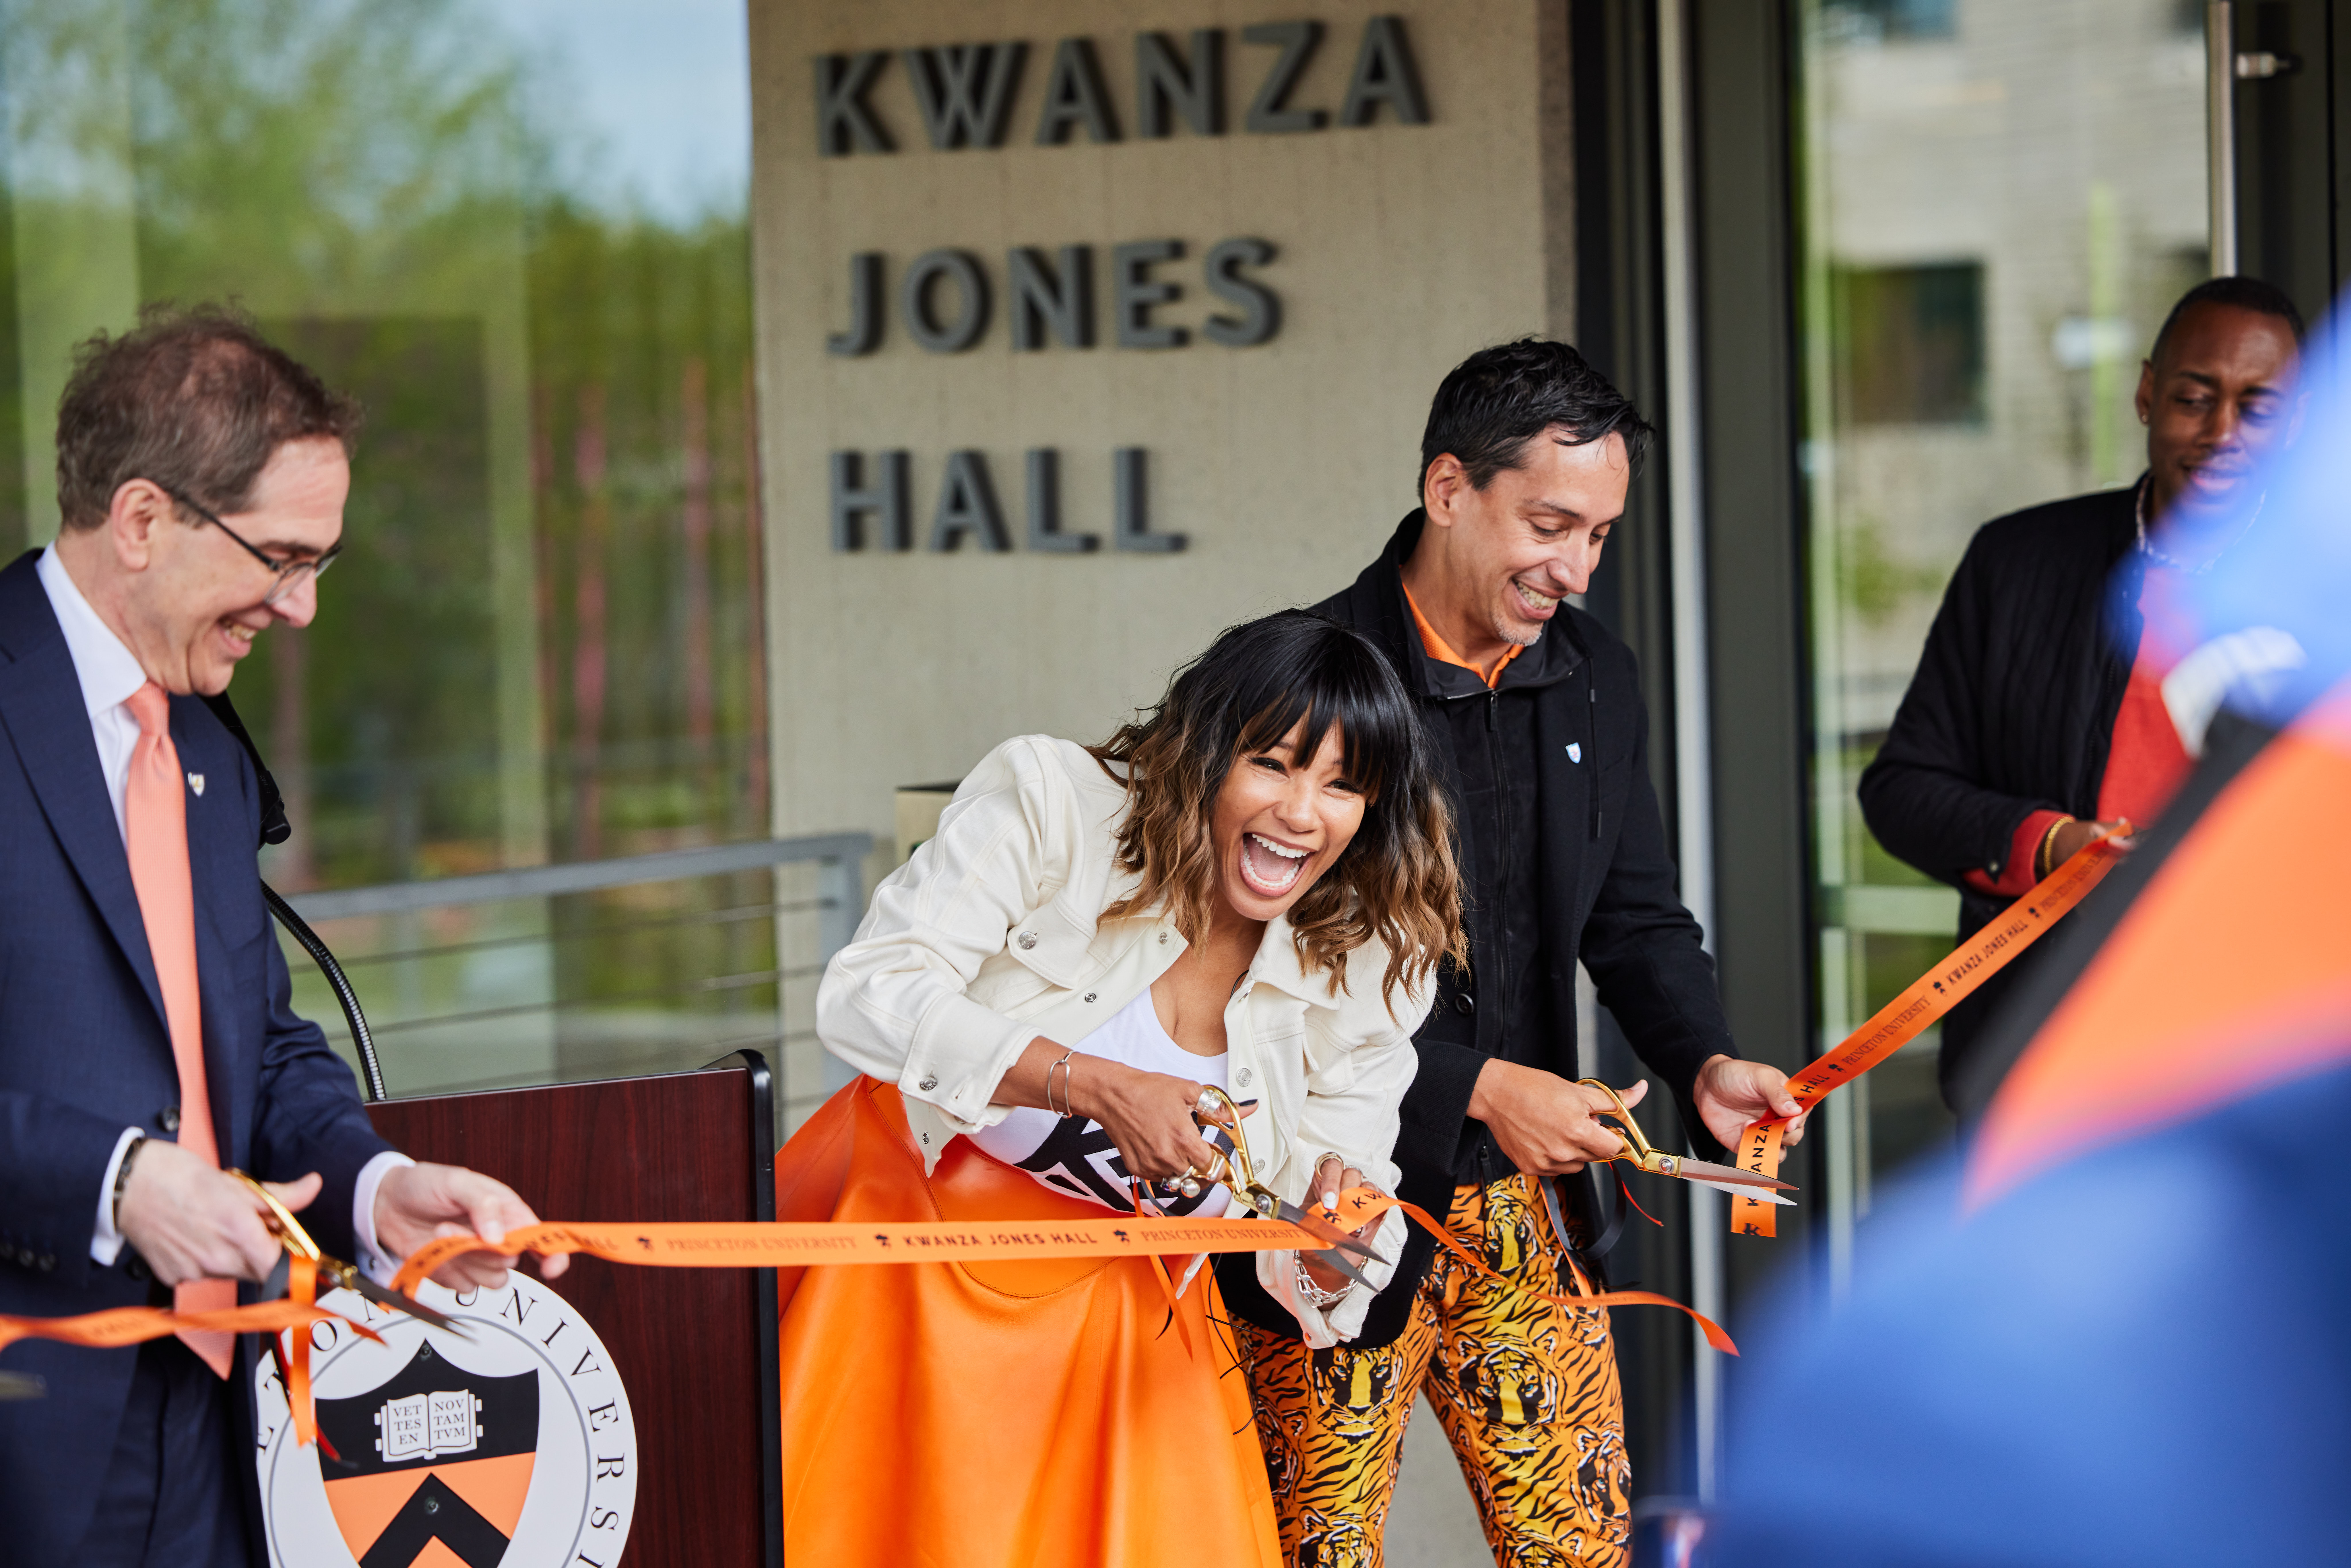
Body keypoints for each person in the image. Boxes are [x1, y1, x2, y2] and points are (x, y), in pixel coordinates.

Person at [1220, 338, 1804, 1568]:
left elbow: (1633, 914)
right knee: (1310, 1551)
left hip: (1526, 1210)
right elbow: (1228, 970)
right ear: (1447, 489)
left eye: (1597, 534)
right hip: (1328, 1198)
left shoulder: (1596, 675)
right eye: (1550, 523)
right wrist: (1479, 1086)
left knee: (1578, 1550)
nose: (1577, 569)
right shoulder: (1302, 677)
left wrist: (1700, 1060)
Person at [0, 306, 559, 1568]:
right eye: (283, 558)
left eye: (324, 566)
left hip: (231, 1405)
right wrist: (114, 1182)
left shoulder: (206, 741)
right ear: (143, 520)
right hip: (31, 1416)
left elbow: (250, 1035)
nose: (301, 609)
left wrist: (372, 1183)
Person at [777, 610, 1464, 1566]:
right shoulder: (1055, 804)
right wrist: (1095, 1086)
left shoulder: (1371, 962)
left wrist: (1337, 1245)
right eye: (1272, 763)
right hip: (908, 1263)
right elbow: (867, 995)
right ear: (1203, 752)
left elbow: (1327, 1218)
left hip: (1129, 1324)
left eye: (1344, 786)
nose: (1304, 813)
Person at [1859, 276, 2305, 1118]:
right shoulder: (2019, 564)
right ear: (2146, 395)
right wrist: (2049, 844)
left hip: (2269, 1074)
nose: (2222, 434)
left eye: (2260, 408)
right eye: (2192, 398)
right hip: (2049, 1070)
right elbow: (1903, 788)